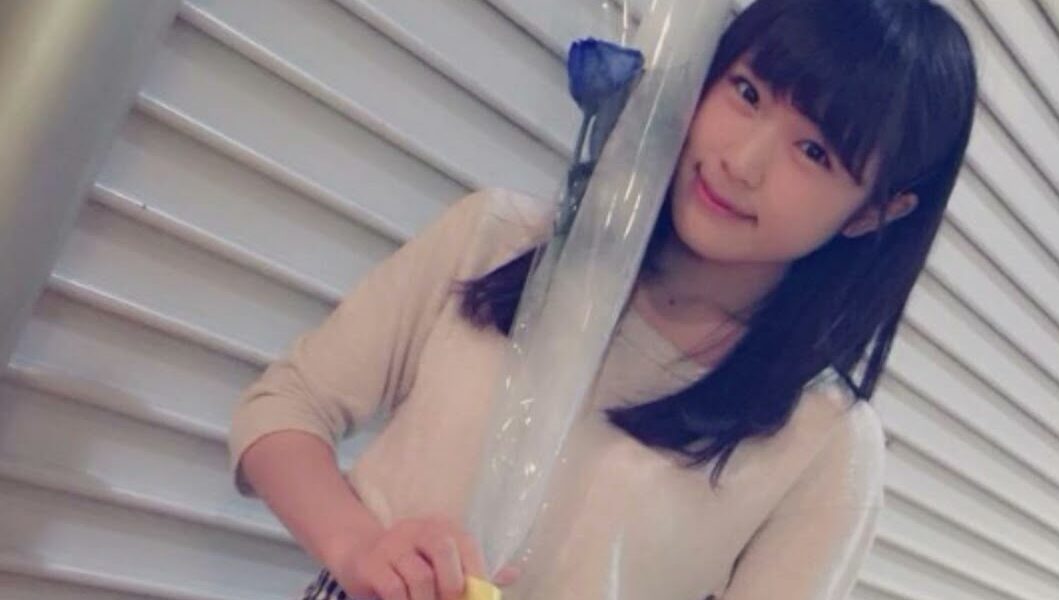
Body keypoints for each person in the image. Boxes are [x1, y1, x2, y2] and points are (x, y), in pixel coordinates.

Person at [228, 0, 977, 598]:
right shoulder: (498, 238)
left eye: (814, 151)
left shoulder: (823, 447)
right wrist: (362, 548)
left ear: (875, 212)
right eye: (746, 93)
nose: (741, 162)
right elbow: (284, 407)